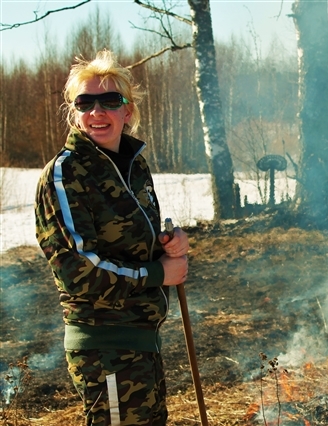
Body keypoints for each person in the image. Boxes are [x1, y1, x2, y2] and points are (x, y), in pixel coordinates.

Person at [35, 49, 189, 426]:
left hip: (142, 340)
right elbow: (78, 270)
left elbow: (135, 241)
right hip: (105, 346)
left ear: (128, 111)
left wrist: (170, 242)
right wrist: (158, 273)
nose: (97, 111)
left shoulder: (135, 166)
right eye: (85, 102)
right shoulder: (66, 174)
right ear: (74, 111)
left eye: (110, 101)